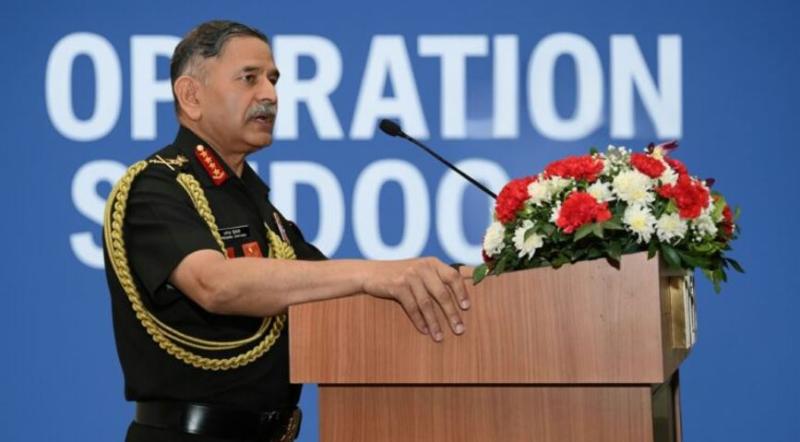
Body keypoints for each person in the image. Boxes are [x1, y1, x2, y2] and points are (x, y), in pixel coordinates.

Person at [103, 20, 471, 442]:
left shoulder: (256, 202)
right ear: (191, 96)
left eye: (273, 80)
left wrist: (468, 276)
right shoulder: (155, 186)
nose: (270, 95)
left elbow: (334, 291)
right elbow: (215, 284)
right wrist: (373, 272)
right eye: (249, 78)